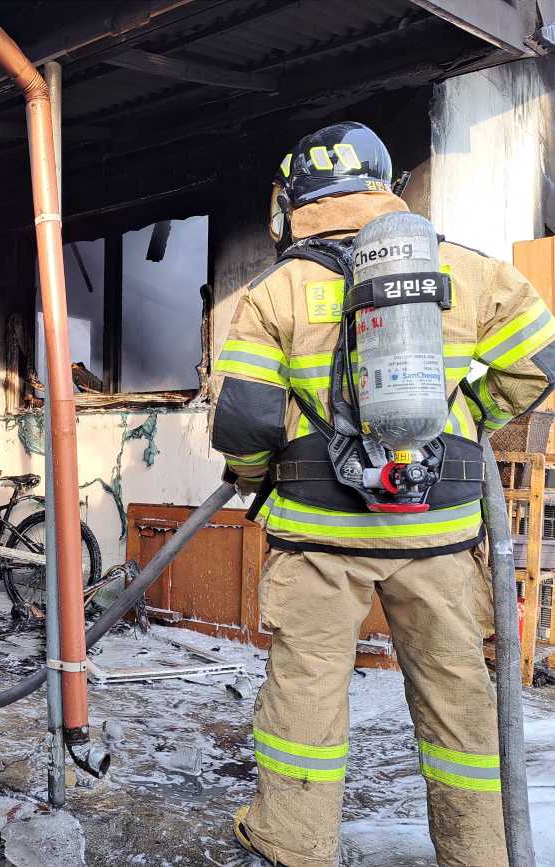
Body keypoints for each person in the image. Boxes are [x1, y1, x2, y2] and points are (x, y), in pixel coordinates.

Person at [212, 121, 555, 867]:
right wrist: (469, 421)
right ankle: (479, 851)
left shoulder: (276, 291)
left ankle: (291, 842)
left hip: (319, 538)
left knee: (306, 694)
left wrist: (253, 477)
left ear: (293, 201)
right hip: (438, 534)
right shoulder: (469, 271)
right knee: (458, 698)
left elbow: (244, 419)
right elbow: (541, 361)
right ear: (384, 186)